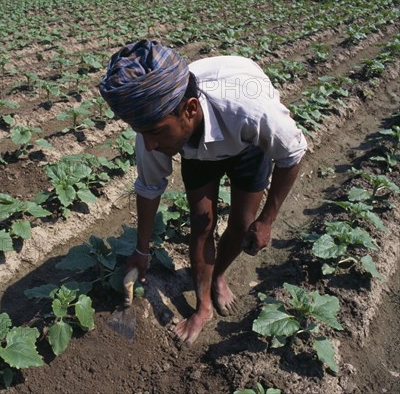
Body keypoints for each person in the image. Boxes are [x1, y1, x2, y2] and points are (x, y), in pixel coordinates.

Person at [99, 40, 307, 345]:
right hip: (195, 148)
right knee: (201, 222)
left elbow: (292, 154)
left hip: (245, 143)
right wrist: (142, 250)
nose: (149, 145)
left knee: (241, 224)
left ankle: (218, 275)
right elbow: (149, 187)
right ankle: (203, 306)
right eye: (142, 133)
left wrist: (268, 219)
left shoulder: (253, 112)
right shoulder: (154, 130)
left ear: (190, 109)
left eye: (155, 132)